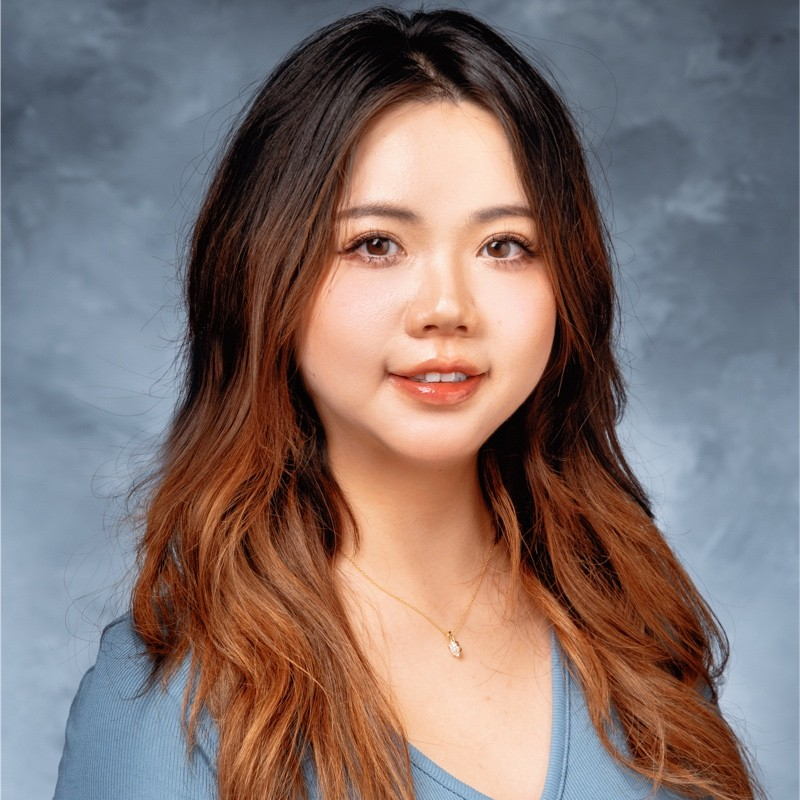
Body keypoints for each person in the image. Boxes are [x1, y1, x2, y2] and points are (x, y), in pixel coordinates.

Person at [53, 6, 761, 800]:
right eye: (375, 244)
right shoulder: (168, 699)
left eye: (505, 246)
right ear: (261, 275)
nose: (447, 307)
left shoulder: (631, 624)